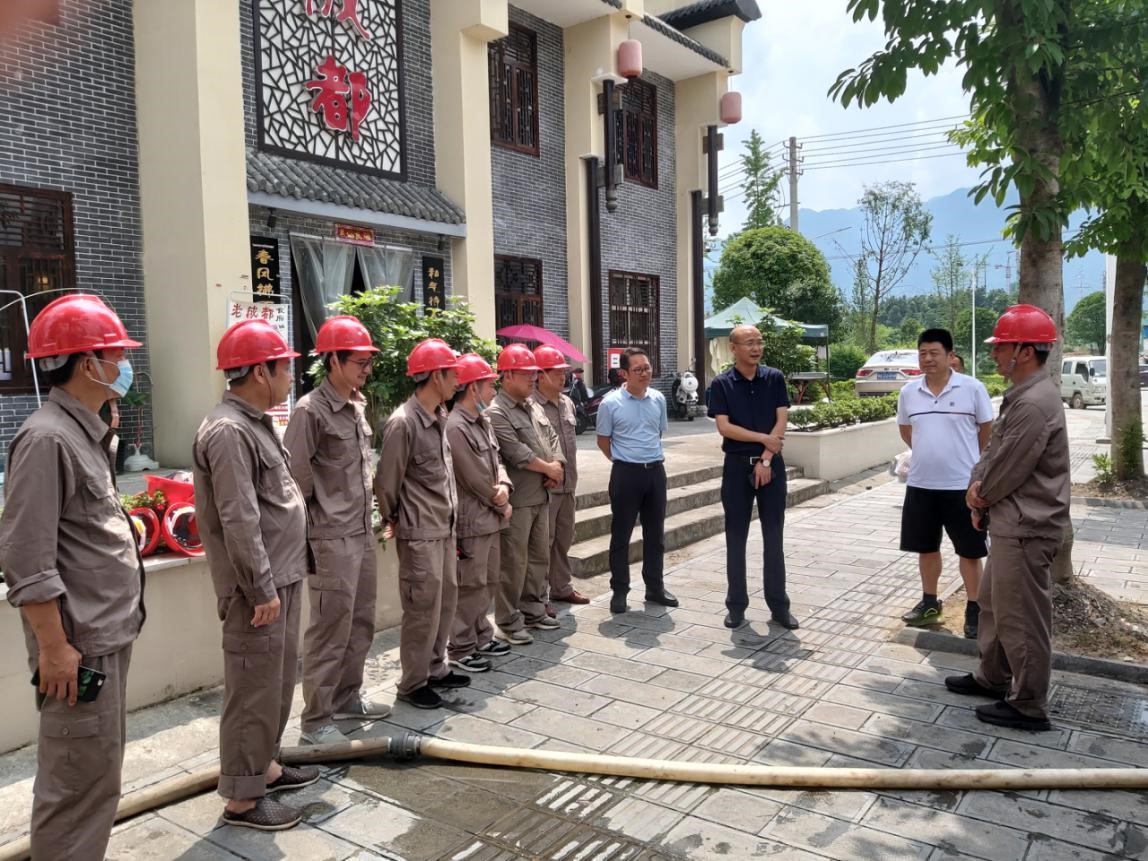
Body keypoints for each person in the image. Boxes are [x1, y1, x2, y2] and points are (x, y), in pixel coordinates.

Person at [0, 295, 144, 859]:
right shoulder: (48, 439)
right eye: (117, 356)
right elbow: (26, 558)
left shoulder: (82, 432)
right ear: (88, 363)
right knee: (75, 785)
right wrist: (54, 647)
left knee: (96, 774)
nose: (124, 366)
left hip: (100, 638)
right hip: (76, 649)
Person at [193, 319, 320, 831]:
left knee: (276, 682)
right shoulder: (228, 431)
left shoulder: (253, 423)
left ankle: (264, 767)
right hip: (258, 589)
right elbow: (239, 517)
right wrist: (260, 587)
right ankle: (242, 800)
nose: (291, 376)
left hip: (279, 576)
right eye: (285, 368)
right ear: (260, 372)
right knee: (252, 690)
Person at [945, 304, 1068, 732]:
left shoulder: (1034, 402)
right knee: (995, 604)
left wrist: (979, 498)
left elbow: (1007, 467)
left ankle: (1028, 703)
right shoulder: (1024, 395)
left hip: (1027, 527)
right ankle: (993, 676)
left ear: (1026, 351)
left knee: (1021, 616)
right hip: (1011, 522)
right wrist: (979, 488)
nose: (994, 354)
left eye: (1001, 347)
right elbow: (993, 453)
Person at [284, 316, 390, 746]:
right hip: (330, 537)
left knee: (360, 620)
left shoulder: (356, 405)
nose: (367, 369)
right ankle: (316, 720)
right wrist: (318, 523)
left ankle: (347, 697)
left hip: (360, 531)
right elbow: (294, 478)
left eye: (369, 362)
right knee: (330, 628)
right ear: (333, 361)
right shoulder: (310, 411)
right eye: (359, 362)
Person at [375, 339, 469, 709]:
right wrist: (396, 519)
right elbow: (387, 483)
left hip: (444, 529)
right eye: (452, 373)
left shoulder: (440, 416)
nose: (458, 380)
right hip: (419, 533)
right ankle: (413, 682)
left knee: (445, 601)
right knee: (422, 609)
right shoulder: (404, 423)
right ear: (434, 376)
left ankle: (435, 668)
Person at [897, 329, 993, 639]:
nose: (927, 358)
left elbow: (986, 430)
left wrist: (975, 466)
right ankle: (929, 603)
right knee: (926, 548)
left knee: (970, 551)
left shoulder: (972, 388)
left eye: (934, 353)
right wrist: (930, 452)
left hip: (962, 486)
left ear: (950, 356)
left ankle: (975, 608)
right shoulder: (909, 392)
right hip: (921, 484)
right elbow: (906, 430)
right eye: (922, 353)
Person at [707, 324, 797, 631]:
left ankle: (779, 606)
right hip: (736, 467)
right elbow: (724, 427)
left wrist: (766, 458)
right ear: (733, 348)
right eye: (749, 343)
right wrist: (762, 439)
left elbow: (781, 420)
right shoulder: (722, 383)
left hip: (772, 467)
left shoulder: (774, 378)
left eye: (759, 342)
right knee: (736, 537)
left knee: (774, 536)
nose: (756, 347)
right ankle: (736, 606)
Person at [487, 343, 565, 643]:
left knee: (538, 558)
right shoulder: (497, 412)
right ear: (507, 375)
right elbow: (515, 451)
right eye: (526, 373)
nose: (533, 378)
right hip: (518, 500)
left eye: (534, 373)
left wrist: (557, 465)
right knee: (514, 563)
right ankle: (507, 620)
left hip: (542, 495)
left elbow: (553, 437)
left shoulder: (533, 406)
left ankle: (533, 609)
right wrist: (549, 469)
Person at [596, 347, 677, 614]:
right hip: (626, 474)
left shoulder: (658, 399)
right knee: (621, 534)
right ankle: (620, 590)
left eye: (647, 368)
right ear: (624, 373)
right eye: (638, 369)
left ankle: (655, 587)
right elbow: (603, 441)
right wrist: (624, 460)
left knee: (655, 534)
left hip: (655, 472)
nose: (645, 373)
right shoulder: (610, 403)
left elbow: (657, 434)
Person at [446, 353, 513, 672]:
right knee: (470, 585)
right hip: (472, 520)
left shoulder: (483, 421)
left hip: (491, 518)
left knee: (488, 581)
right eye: (489, 385)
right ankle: (460, 647)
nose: (493, 391)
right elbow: (472, 476)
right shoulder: (455, 426)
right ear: (473, 388)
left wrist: (505, 486)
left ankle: (482, 636)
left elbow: (497, 461)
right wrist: (499, 500)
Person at [532, 346, 589, 610]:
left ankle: (561, 588)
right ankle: (539, 596)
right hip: (545, 486)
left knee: (564, 538)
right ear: (540, 375)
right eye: (556, 372)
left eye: (564, 372)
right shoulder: (531, 406)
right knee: (543, 544)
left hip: (568, 485)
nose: (562, 377)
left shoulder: (567, 403)